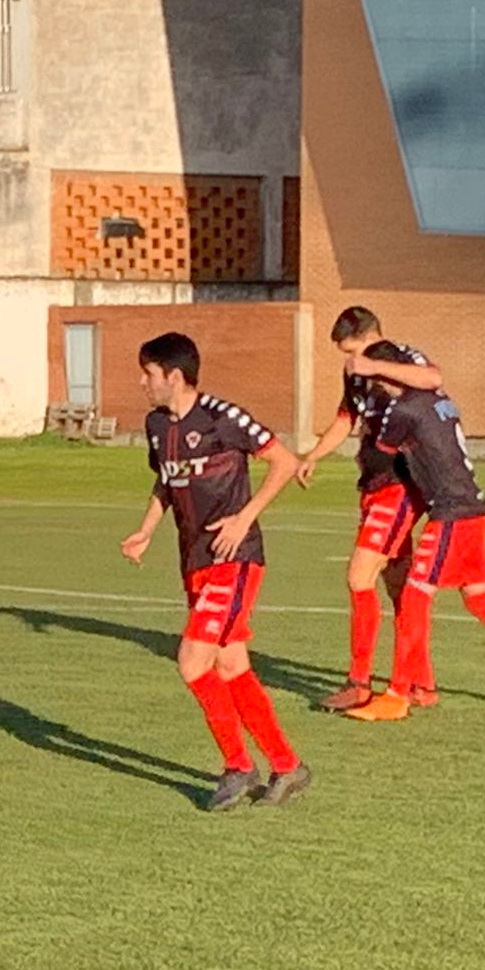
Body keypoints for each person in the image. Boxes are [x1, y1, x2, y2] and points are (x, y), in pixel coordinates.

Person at [121, 332, 311, 811]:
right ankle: (288, 766)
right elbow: (166, 482)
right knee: (231, 665)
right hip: (195, 562)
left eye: (148, 374)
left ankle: (237, 766)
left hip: (236, 557)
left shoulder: (224, 419)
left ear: (174, 376)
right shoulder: (156, 425)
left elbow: (283, 463)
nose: (142, 382)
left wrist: (245, 516)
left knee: (191, 662)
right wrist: (145, 529)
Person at [343, 343, 485, 721]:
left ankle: (398, 695)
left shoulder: (403, 410)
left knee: (415, 595)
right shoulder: (439, 400)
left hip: (451, 512)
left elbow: (383, 450)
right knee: (479, 598)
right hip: (475, 507)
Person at [295, 305, 447, 712]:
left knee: (359, 577)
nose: (352, 360)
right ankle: (423, 682)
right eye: (347, 354)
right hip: (372, 485)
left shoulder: (400, 356)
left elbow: (433, 379)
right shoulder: (355, 372)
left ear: (371, 336)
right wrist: (314, 454)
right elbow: (347, 418)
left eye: (356, 349)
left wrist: (377, 365)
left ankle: (359, 681)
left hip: (399, 484)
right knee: (400, 588)